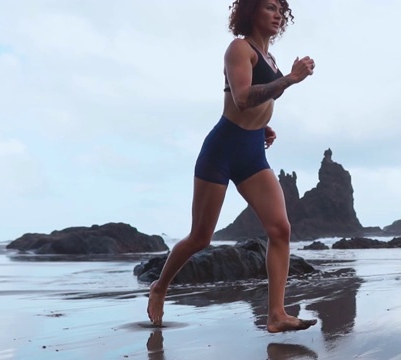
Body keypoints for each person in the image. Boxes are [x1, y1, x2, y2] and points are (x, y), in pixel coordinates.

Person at [147, 0, 317, 333]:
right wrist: (291, 80)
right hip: (223, 148)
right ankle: (160, 287)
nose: (277, 14)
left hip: (252, 151)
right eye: (269, 7)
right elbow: (241, 97)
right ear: (251, 11)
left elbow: (262, 100)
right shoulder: (239, 48)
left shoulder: (270, 58)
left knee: (280, 229)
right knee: (200, 237)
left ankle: (276, 314)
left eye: (281, 9)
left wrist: (263, 124)